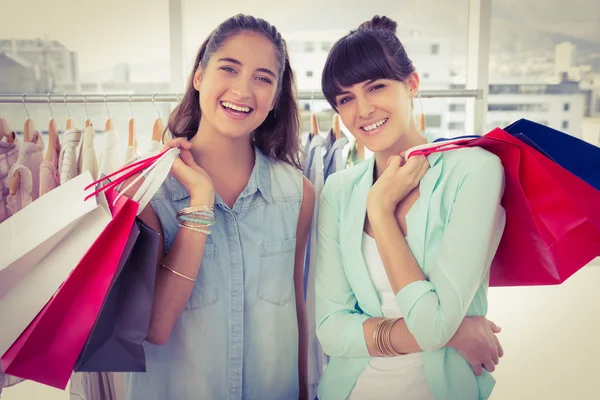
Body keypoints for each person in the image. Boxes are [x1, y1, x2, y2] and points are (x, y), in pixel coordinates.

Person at [315, 15, 506, 400]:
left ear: (412, 84)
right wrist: (458, 333)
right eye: (346, 98)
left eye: (377, 87)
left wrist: (381, 212)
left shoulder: (474, 171)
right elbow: (331, 330)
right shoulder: (339, 189)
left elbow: (433, 326)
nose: (363, 109)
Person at [123, 14, 314, 400]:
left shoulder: (298, 194)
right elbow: (156, 327)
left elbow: (296, 309)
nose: (243, 90)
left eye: (263, 78)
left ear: (275, 97)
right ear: (198, 77)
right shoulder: (146, 192)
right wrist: (199, 204)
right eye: (229, 68)